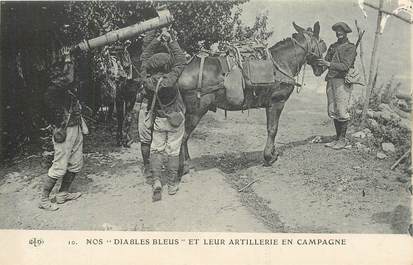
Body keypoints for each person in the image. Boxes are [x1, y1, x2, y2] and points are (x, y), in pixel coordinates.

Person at [140, 29, 186, 201]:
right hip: (175, 120)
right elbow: (180, 61)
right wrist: (171, 40)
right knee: (173, 151)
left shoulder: (148, 81)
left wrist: (157, 40)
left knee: (156, 150)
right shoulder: (171, 79)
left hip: (158, 120)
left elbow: (144, 58)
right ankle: (172, 184)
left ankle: (157, 181)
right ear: (167, 65)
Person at [40, 46, 86, 211]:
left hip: (75, 126)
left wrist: (71, 58)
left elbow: (70, 78)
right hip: (64, 130)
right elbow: (68, 78)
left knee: (75, 163)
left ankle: (63, 193)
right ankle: (44, 200)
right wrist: (67, 58)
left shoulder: (61, 86)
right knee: (59, 166)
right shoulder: (52, 88)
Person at [316, 22, 357, 150]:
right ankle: (337, 138)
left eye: (341, 31)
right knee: (333, 110)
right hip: (331, 80)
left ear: (346, 33)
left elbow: (345, 66)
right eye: (337, 31)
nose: (339, 33)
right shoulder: (333, 46)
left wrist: (328, 64)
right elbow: (324, 63)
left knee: (341, 110)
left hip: (342, 81)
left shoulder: (350, 48)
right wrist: (317, 66)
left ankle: (343, 140)